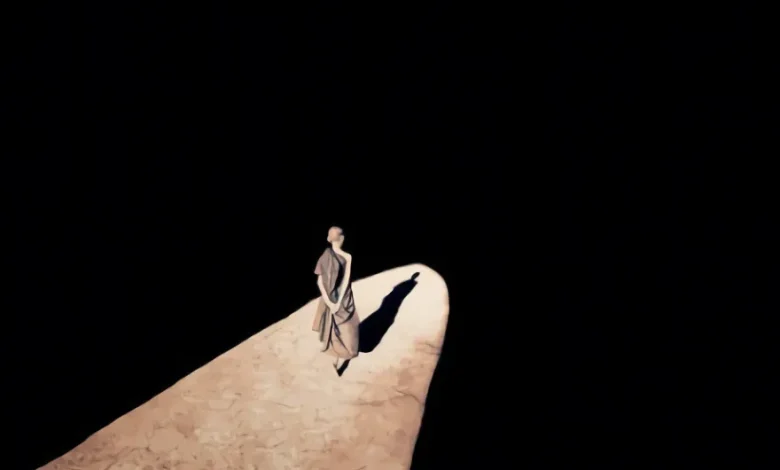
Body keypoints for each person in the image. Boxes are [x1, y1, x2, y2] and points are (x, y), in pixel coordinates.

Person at [312, 226, 360, 373]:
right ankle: (338, 358)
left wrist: (330, 302)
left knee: (335, 328)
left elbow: (320, 282)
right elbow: (345, 281)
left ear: (329, 239)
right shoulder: (346, 257)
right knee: (345, 329)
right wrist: (336, 303)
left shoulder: (325, 256)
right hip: (341, 298)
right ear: (342, 238)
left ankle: (335, 357)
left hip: (333, 298)